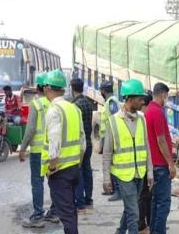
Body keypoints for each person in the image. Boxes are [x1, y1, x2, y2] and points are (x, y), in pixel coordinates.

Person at [102, 79, 153, 234]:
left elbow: (147, 147)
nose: (143, 101)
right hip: (123, 176)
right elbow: (107, 153)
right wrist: (106, 178)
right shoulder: (114, 121)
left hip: (140, 173)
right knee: (134, 213)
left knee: (131, 208)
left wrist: (149, 172)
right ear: (129, 99)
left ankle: (119, 231)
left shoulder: (142, 118)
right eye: (140, 98)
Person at [41, 69, 86, 234]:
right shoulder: (74, 108)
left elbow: (54, 143)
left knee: (66, 215)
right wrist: (78, 163)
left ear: (47, 88)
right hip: (74, 168)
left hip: (60, 170)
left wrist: (52, 168)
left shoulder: (54, 110)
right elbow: (83, 142)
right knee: (71, 211)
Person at [19, 72, 59, 228]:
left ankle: (37, 216)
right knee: (53, 181)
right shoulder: (54, 104)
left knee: (37, 183)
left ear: (38, 88)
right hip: (52, 150)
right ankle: (54, 213)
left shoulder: (36, 104)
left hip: (37, 151)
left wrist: (22, 149)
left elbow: (30, 130)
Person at [145, 83, 176, 234]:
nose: (167, 99)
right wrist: (171, 164)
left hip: (154, 164)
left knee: (156, 202)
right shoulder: (156, 112)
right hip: (160, 165)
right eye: (166, 96)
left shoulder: (149, 110)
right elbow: (161, 140)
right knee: (163, 203)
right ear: (163, 94)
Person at [71, 78, 94, 214]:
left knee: (78, 172)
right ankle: (88, 199)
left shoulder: (75, 106)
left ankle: (80, 204)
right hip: (89, 142)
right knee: (87, 170)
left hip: (80, 144)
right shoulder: (88, 103)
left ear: (72, 89)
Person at [99, 80, 121, 202]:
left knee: (112, 164)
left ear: (103, 91)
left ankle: (117, 190)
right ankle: (112, 188)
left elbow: (114, 118)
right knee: (109, 163)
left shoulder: (111, 102)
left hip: (111, 135)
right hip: (107, 135)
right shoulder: (109, 101)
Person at [139, 90, 153, 233]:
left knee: (144, 196)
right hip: (143, 164)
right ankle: (143, 223)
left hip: (142, 164)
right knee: (145, 196)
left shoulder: (142, 118)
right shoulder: (143, 118)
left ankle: (144, 223)